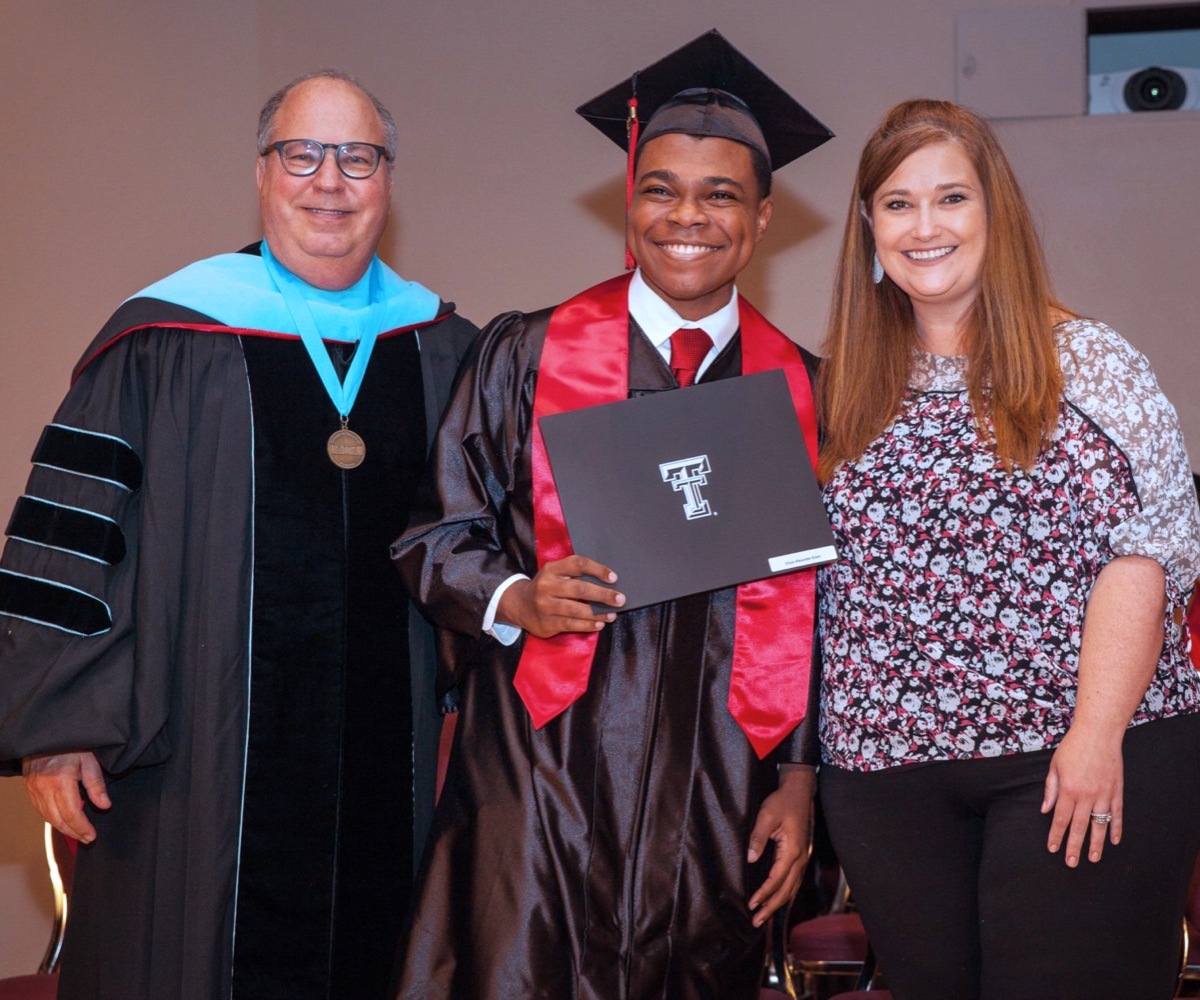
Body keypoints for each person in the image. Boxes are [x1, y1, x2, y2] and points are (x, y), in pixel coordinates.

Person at [0, 70, 476, 1000]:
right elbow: (67, 539)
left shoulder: (444, 346)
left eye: (357, 157)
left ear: (388, 179)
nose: (328, 181)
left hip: (396, 764)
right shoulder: (162, 341)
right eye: (302, 154)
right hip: (196, 766)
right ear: (263, 173)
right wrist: (58, 728)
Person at [392, 31, 832, 1000]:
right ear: (629, 205)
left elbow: (828, 600)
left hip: (720, 784)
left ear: (761, 218)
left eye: (720, 193)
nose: (688, 215)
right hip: (539, 767)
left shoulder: (805, 392)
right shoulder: (525, 353)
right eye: (661, 188)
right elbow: (433, 536)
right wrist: (516, 594)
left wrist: (800, 777)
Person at [816, 98, 1200, 1000]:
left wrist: (1096, 735)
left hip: (1076, 760)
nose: (925, 225)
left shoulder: (1092, 362)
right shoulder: (840, 392)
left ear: (996, 215)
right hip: (887, 786)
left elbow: (1149, 550)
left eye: (951, 198)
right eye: (898, 204)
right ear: (870, 229)